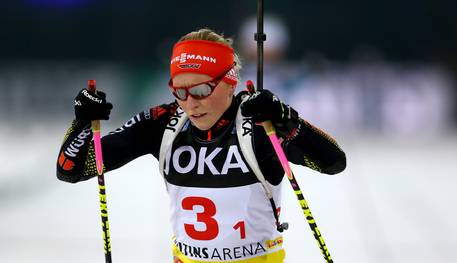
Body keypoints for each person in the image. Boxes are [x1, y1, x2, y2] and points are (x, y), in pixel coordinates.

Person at [56, 28, 346, 263]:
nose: (190, 103)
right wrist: (82, 122)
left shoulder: (259, 123)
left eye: (201, 90)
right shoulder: (164, 122)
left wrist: (289, 122)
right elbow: (72, 169)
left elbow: (333, 162)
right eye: (180, 91)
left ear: (230, 82)